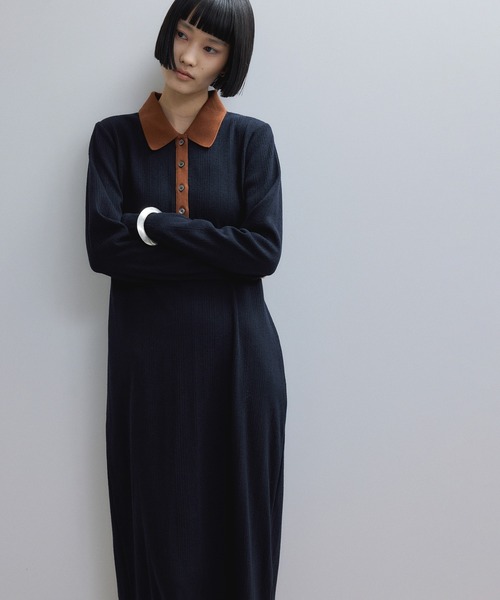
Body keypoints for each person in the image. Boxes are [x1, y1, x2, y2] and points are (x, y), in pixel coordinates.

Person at [85, 0, 286, 598]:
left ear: (229, 61)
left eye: (209, 48)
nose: (187, 56)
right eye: (182, 35)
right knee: (157, 529)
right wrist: (218, 250)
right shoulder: (113, 138)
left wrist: (154, 224)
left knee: (239, 533)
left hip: (239, 364)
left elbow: (263, 252)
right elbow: (105, 249)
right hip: (147, 364)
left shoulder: (251, 141)